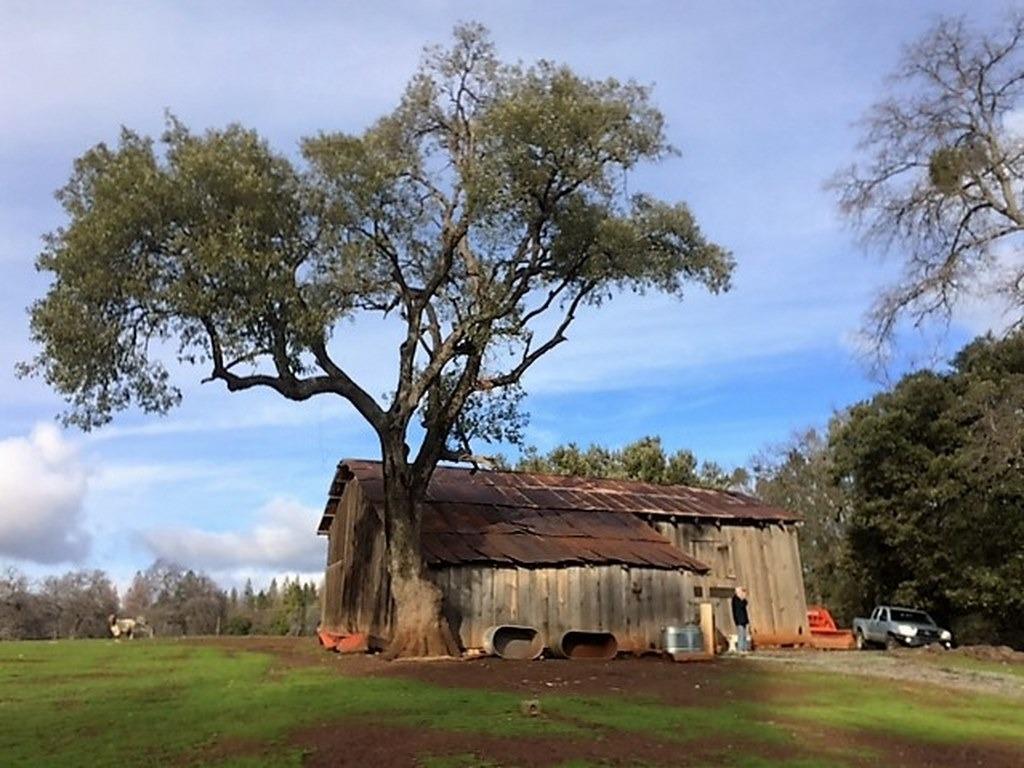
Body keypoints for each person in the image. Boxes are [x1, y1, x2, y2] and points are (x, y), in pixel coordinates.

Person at [731, 586, 750, 653]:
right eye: (741, 592)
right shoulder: (735, 599)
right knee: (741, 635)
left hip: (743, 620)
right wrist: (743, 599)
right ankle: (740, 648)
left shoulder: (740, 599)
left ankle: (744, 648)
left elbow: (745, 604)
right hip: (739, 620)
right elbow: (741, 605)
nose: (742, 593)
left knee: (744, 635)